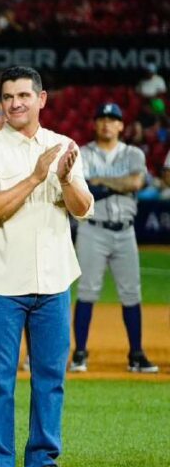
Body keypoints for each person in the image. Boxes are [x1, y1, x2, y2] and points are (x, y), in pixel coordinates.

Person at [0, 66, 93, 467]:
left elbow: (81, 208)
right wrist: (38, 176)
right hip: (2, 279)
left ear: (42, 99)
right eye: (8, 96)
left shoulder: (65, 146)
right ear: (1, 103)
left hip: (55, 278)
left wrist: (62, 178)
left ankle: (42, 465)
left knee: (50, 377)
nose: (15, 102)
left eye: (24, 94)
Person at [71, 103, 156, 373]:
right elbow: (83, 190)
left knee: (131, 292)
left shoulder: (133, 154)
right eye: (102, 119)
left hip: (125, 230)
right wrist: (116, 184)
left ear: (121, 125)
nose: (107, 123)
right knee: (87, 291)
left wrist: (102, 183)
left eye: (112, 119)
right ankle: (80, 354)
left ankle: (136, 354)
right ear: (95, 124)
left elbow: (135, 183)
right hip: (92, 229)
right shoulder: (82, 153)